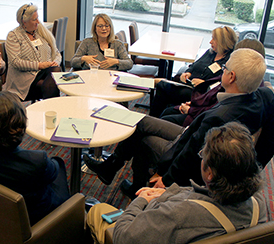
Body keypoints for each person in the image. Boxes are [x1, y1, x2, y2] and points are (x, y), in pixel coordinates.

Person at [84, 48, 274, 199]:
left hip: (181, 146)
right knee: (140, 122)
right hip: (188, 133)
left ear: (231, 76)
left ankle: (138, 191)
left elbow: (190, 153)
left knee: (144, 142)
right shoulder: (263, 95)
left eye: (225, 69)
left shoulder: (220, 117)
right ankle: (111, 166)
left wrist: (167, 179)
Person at [86, 122, 267, 244]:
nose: (201, 157)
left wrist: (141, 200)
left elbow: (122, 237)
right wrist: (171, 193)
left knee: (97, 210)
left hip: (135, 232)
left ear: (210, 173)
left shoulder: (178, 214)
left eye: (203, 154)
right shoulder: (258, 204)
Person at [0, 91, 70, 225]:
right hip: (34, 220)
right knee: (58, 163)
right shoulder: (37, 160)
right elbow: (53, 173)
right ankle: (71, 216)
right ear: (22, 126)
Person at [161, 39, 266, 127]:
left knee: (155, 120)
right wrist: (194, 104)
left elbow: (210, 113)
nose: (210, 41)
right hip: (198, 105)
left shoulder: (235, 90)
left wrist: (191, 110)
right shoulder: (247, 89)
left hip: (196, 119)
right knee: (166, 109)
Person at [149, 26, 238, 118]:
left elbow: (221, 85)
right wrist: (187, 73)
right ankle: (155, 117)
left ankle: (153, 117)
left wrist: (204, 84)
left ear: (223, 42)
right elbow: (194, 65)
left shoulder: (229, 62)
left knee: (163, 86)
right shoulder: (210, 53)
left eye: (214, 39)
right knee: (164, 87)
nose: (210, 42)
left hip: (200, 93)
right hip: (188, 84)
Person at [4, 3, 61, 101]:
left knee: (56, 70)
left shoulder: (41, 32)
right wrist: (39, 65)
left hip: (45, 72)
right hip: (25, 79)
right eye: (34, 19)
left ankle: (49, 110)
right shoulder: (14, 36)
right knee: (53, 83)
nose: (38, 22)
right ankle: (51, 109)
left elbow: (56, 53)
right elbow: (15, 62)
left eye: (37, 18)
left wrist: (55, 62)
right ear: (24, 22)